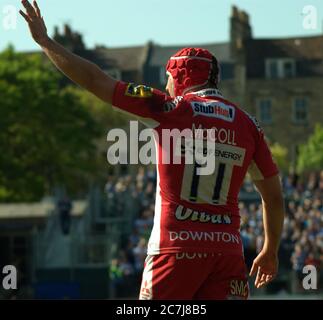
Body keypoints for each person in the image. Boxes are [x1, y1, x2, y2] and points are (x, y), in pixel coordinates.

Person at [20, 0, 285, 299]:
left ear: (181, 78)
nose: (167, 85)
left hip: (174, 250)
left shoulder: (168, 107)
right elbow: (273, 198)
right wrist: (270, 249)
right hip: (227, 254)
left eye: (169, 79)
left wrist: (44, 41)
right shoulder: (249, 125)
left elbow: (95, 80)